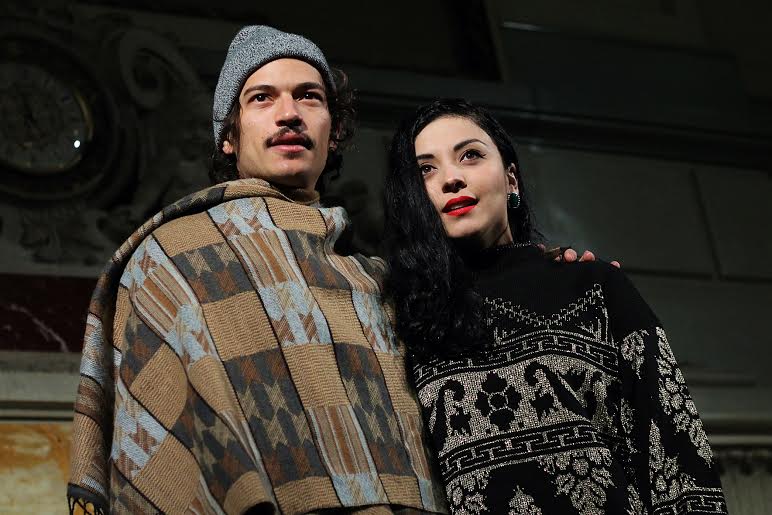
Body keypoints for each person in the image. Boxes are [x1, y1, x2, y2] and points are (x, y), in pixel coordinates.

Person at [67, 27, 596, 514]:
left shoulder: (379, 278)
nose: (289, 114)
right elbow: (163, 448)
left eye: (309, 96)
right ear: (229, 134)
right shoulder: (173, 261)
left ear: (334, 130)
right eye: (262, 98)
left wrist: (538, 275)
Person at [383, 99, 727, 514]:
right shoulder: (405, 316)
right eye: (426, 169)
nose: (451, 178)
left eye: (470, 155)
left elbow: (679, 451)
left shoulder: (594, 285)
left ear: (511, 179)